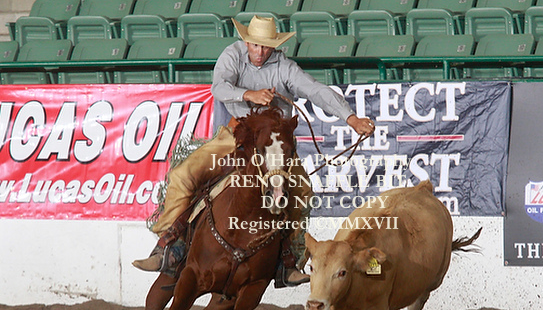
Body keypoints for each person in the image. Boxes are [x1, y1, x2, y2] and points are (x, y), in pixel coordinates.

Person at [133, 15, 375, 286]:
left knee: (302, 191)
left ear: (274, 46)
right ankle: (168, 245)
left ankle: (289, 260)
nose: (260, 52)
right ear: (246, 42)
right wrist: (249, 94)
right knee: (183, 174)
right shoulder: (233, 56)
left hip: (273, 145)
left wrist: (350, 118)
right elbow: (219, 87)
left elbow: (316, 91)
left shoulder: (285, 68)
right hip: (237, 135)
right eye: (256, 45)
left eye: (266, 47)